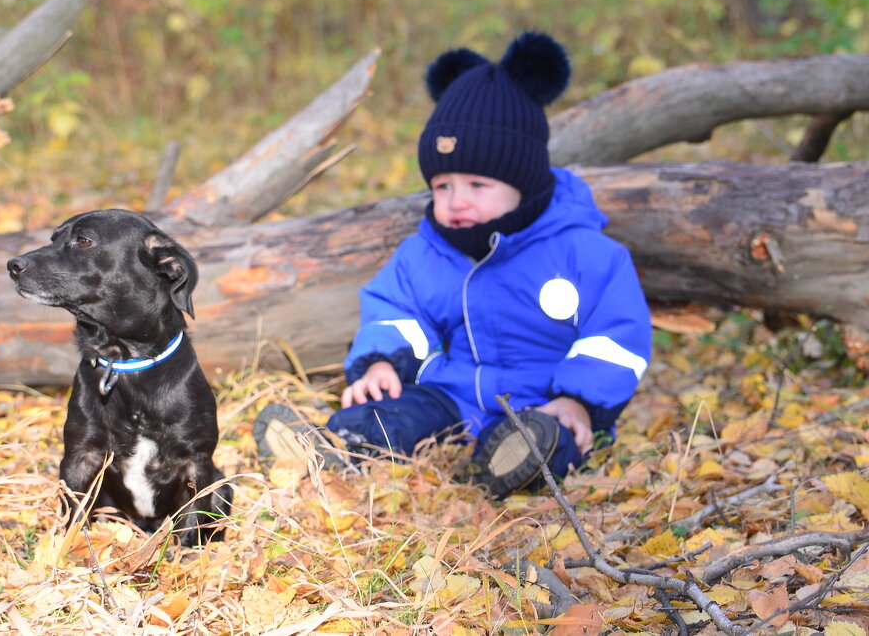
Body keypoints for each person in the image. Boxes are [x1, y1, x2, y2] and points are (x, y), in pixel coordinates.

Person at [254, 32, 652, 498]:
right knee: (392, 413)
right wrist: (383, 362)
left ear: (523, 180)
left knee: (553, 440)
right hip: (453, 395)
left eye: (477, 185)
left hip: (542, 399)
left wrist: (579, 400)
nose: (456, 202)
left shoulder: (584, 252)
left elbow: (616, 337)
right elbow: (397, 311)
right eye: (443, 186)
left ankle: (517, 461)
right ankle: (335, 446)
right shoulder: (428, 253)